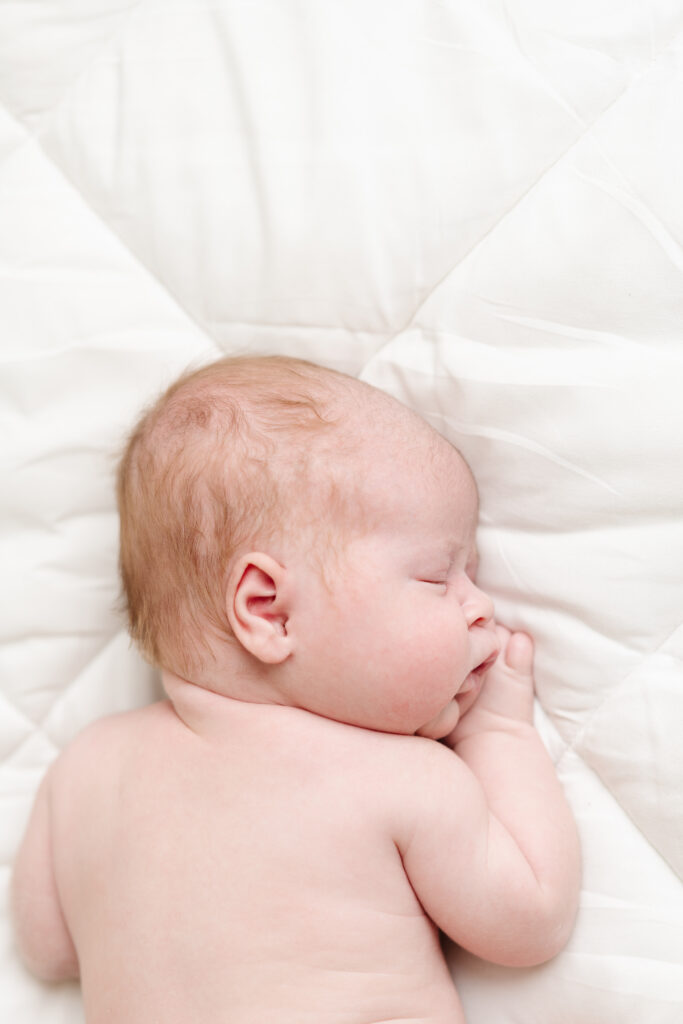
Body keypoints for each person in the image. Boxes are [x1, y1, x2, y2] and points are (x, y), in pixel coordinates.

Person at [12, 355, 581, 1023]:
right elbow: (533, 919)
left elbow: (46, 949)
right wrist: (498, 734)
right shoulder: (399, 777)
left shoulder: (86, 766)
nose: (478, 605)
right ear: (268, 609)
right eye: (438, 576)